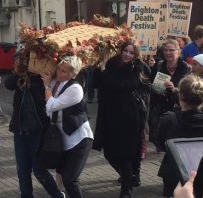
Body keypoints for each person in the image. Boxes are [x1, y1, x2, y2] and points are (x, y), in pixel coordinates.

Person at [93, 39, 150, 198]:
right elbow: (96, 83)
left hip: (127, 116)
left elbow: (124, 85)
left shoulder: (136, 67)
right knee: (109, 152)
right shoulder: (111, 62)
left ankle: (126, 191)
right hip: (109, 113)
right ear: (121, 50)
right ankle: (130, 177)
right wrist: (100, 65)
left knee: (124, 154)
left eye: (131, 52)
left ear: (136, 55)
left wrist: (104, 72)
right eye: (125, 51)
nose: (127, 55)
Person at [5, 50, 65, 198]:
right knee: (22, 170)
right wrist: (19, 73)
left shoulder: (40, 78)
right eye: (16, 63)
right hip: (20, 130)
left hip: (38, 130)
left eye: (22, 62)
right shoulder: (18, 79)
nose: (18, 65)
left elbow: (46, 98)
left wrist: (38, 77)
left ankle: (57, 195)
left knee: (38, 169)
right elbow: (8, 84)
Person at [41, 56, 93, 198]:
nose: (59, 73)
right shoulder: (55, 83)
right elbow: (48, 110)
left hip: (79, 139)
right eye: (59, 69)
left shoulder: (75, 88)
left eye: (64, 71)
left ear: (73, 74)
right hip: (62, 138)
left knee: (70, 179)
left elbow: (51, 106)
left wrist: (47, 86)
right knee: (60, 174)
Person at [156, 74, 203, 197]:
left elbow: (160, 144)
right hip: (200, 171)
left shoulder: (169, 119)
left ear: (181, 96)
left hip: (174, 171)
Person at [149, 39, 191, 149]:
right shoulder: (158, 66)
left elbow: (189, 91)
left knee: (174, 141)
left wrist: (174, 89)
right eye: (165, 50)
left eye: (171, 50)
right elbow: (150, 83)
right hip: (159, 110)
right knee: (159, 140)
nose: (167, 53)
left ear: (179, 51)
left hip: (178, 110)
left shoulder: (187, 69)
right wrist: (155, 88)